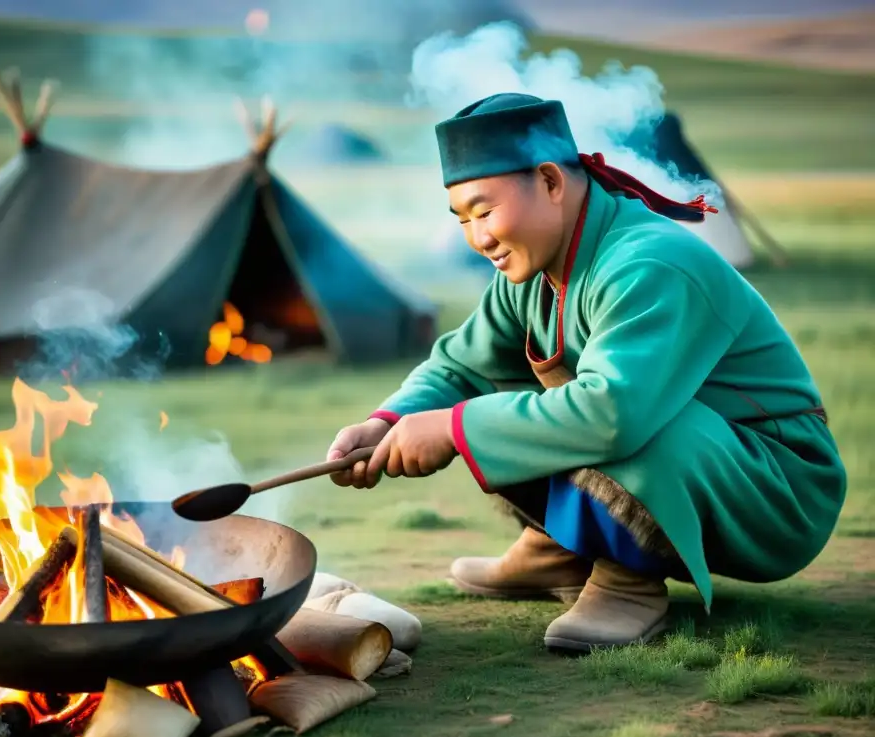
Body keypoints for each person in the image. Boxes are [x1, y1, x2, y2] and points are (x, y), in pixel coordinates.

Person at [325, 93, 847, 653]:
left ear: (551, 181)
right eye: (462, 220)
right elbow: (461, 366)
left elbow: (614, 413)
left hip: (775, 481)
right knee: (509, 392)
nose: (478, 240)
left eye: (485, 211)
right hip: (699, 452)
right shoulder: (531, 272)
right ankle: (561, 549)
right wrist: (389, 420)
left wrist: (452, 428)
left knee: (604, 410)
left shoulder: (648, 262)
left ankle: (628, 580)